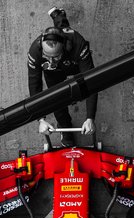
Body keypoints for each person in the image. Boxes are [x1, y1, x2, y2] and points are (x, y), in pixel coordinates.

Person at [28, 7, 97, 147]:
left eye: (56, 56)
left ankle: (59, 16)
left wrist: (90, 117)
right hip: (52, 73)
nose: (52, 61)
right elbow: (35, 86)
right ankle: (65, 125)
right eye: (48, 57)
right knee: (57, 100)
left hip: (73, 63)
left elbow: (91, 81)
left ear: (66, 46)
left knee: (64, 29)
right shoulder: (35, 51)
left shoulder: (78, 43)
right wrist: (40, 119)